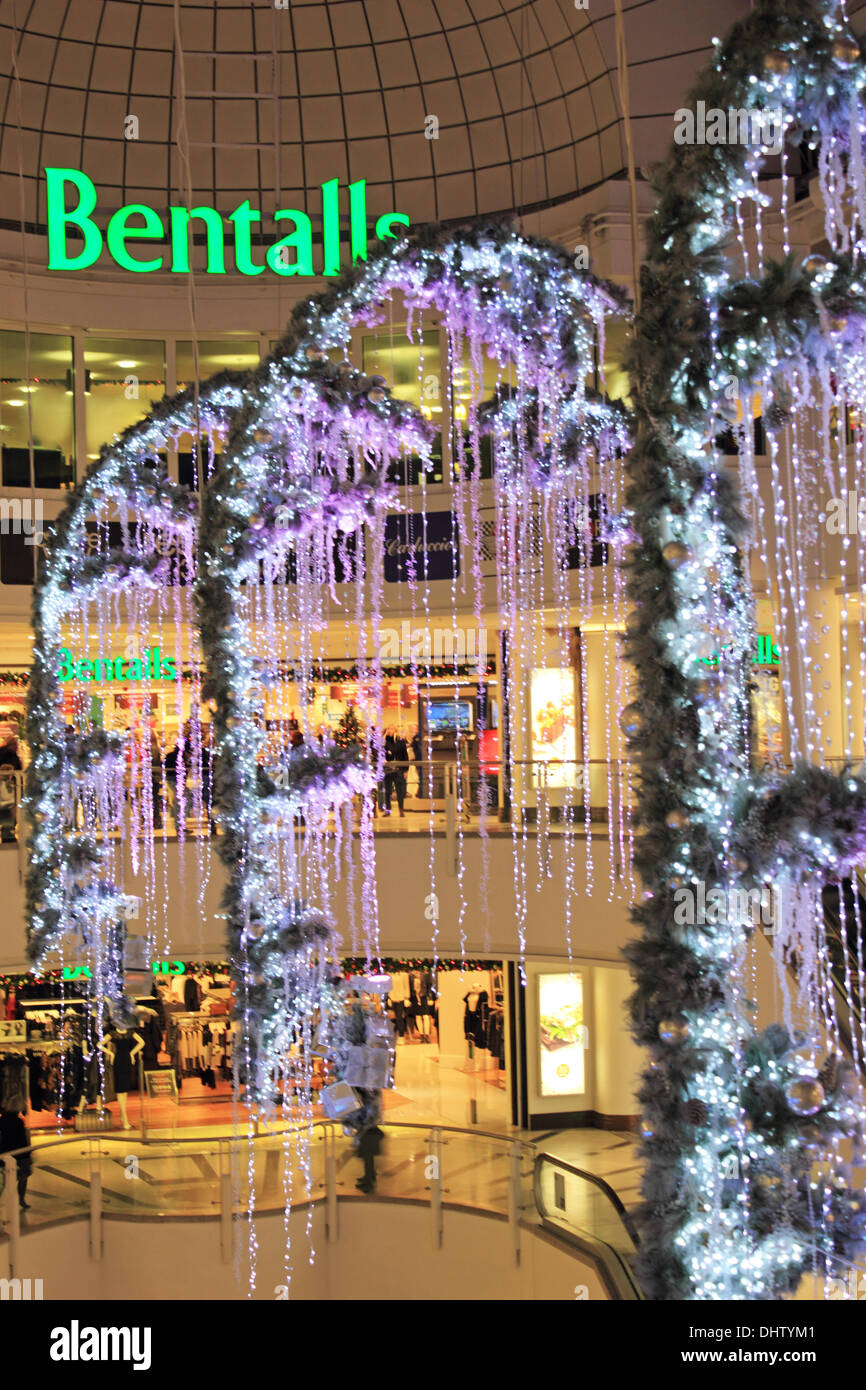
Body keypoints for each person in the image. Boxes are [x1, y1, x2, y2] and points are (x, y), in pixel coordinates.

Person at [0, 1108, 32, 1209]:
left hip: (7, 1153)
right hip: (20, 1153)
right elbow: (23, 1139)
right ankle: (20, 1199)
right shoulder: (18, 1122)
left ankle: (13, 1200)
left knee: (8, 1178)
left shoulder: (3, 1121)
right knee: (22, 1177)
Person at [383, 729, 408, 817]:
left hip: (399, 769)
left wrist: (406, 770)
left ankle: (401, 809)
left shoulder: (400, 741)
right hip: (388, 770)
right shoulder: (383, 741)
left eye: (392, 729)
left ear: (395, 731)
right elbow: (380, 753)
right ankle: (388, 810)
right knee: (387, 791)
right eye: (388, 729)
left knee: (400, 791)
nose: (390, 731)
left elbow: (405, 755)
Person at [355, 1124, 384, 1193]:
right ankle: (369, 1177)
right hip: (369, 1136)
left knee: (368, 1160)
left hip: (369, 1138)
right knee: (368, 1160)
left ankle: (368, 1183)